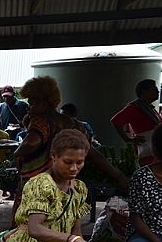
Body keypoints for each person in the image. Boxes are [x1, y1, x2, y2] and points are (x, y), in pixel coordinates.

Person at [12, 76, 128, 226]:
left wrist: (17, 154)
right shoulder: (77, 125)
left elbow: (31, 142)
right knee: (59, 226)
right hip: (64, 189)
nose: (28, 108)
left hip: (38, 191)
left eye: (31, 104)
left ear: (44, 104)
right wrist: (118, 176)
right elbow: (94, 154)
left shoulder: (41, 122)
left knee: (29, 228)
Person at [111, 79, 162, 166]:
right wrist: (127, 140)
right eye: (154, 90)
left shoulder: (150, 108)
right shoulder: (135, 107)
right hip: (147, 149)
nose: (157, 92)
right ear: (144, 92)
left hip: (155, 147)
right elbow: (116, 121)